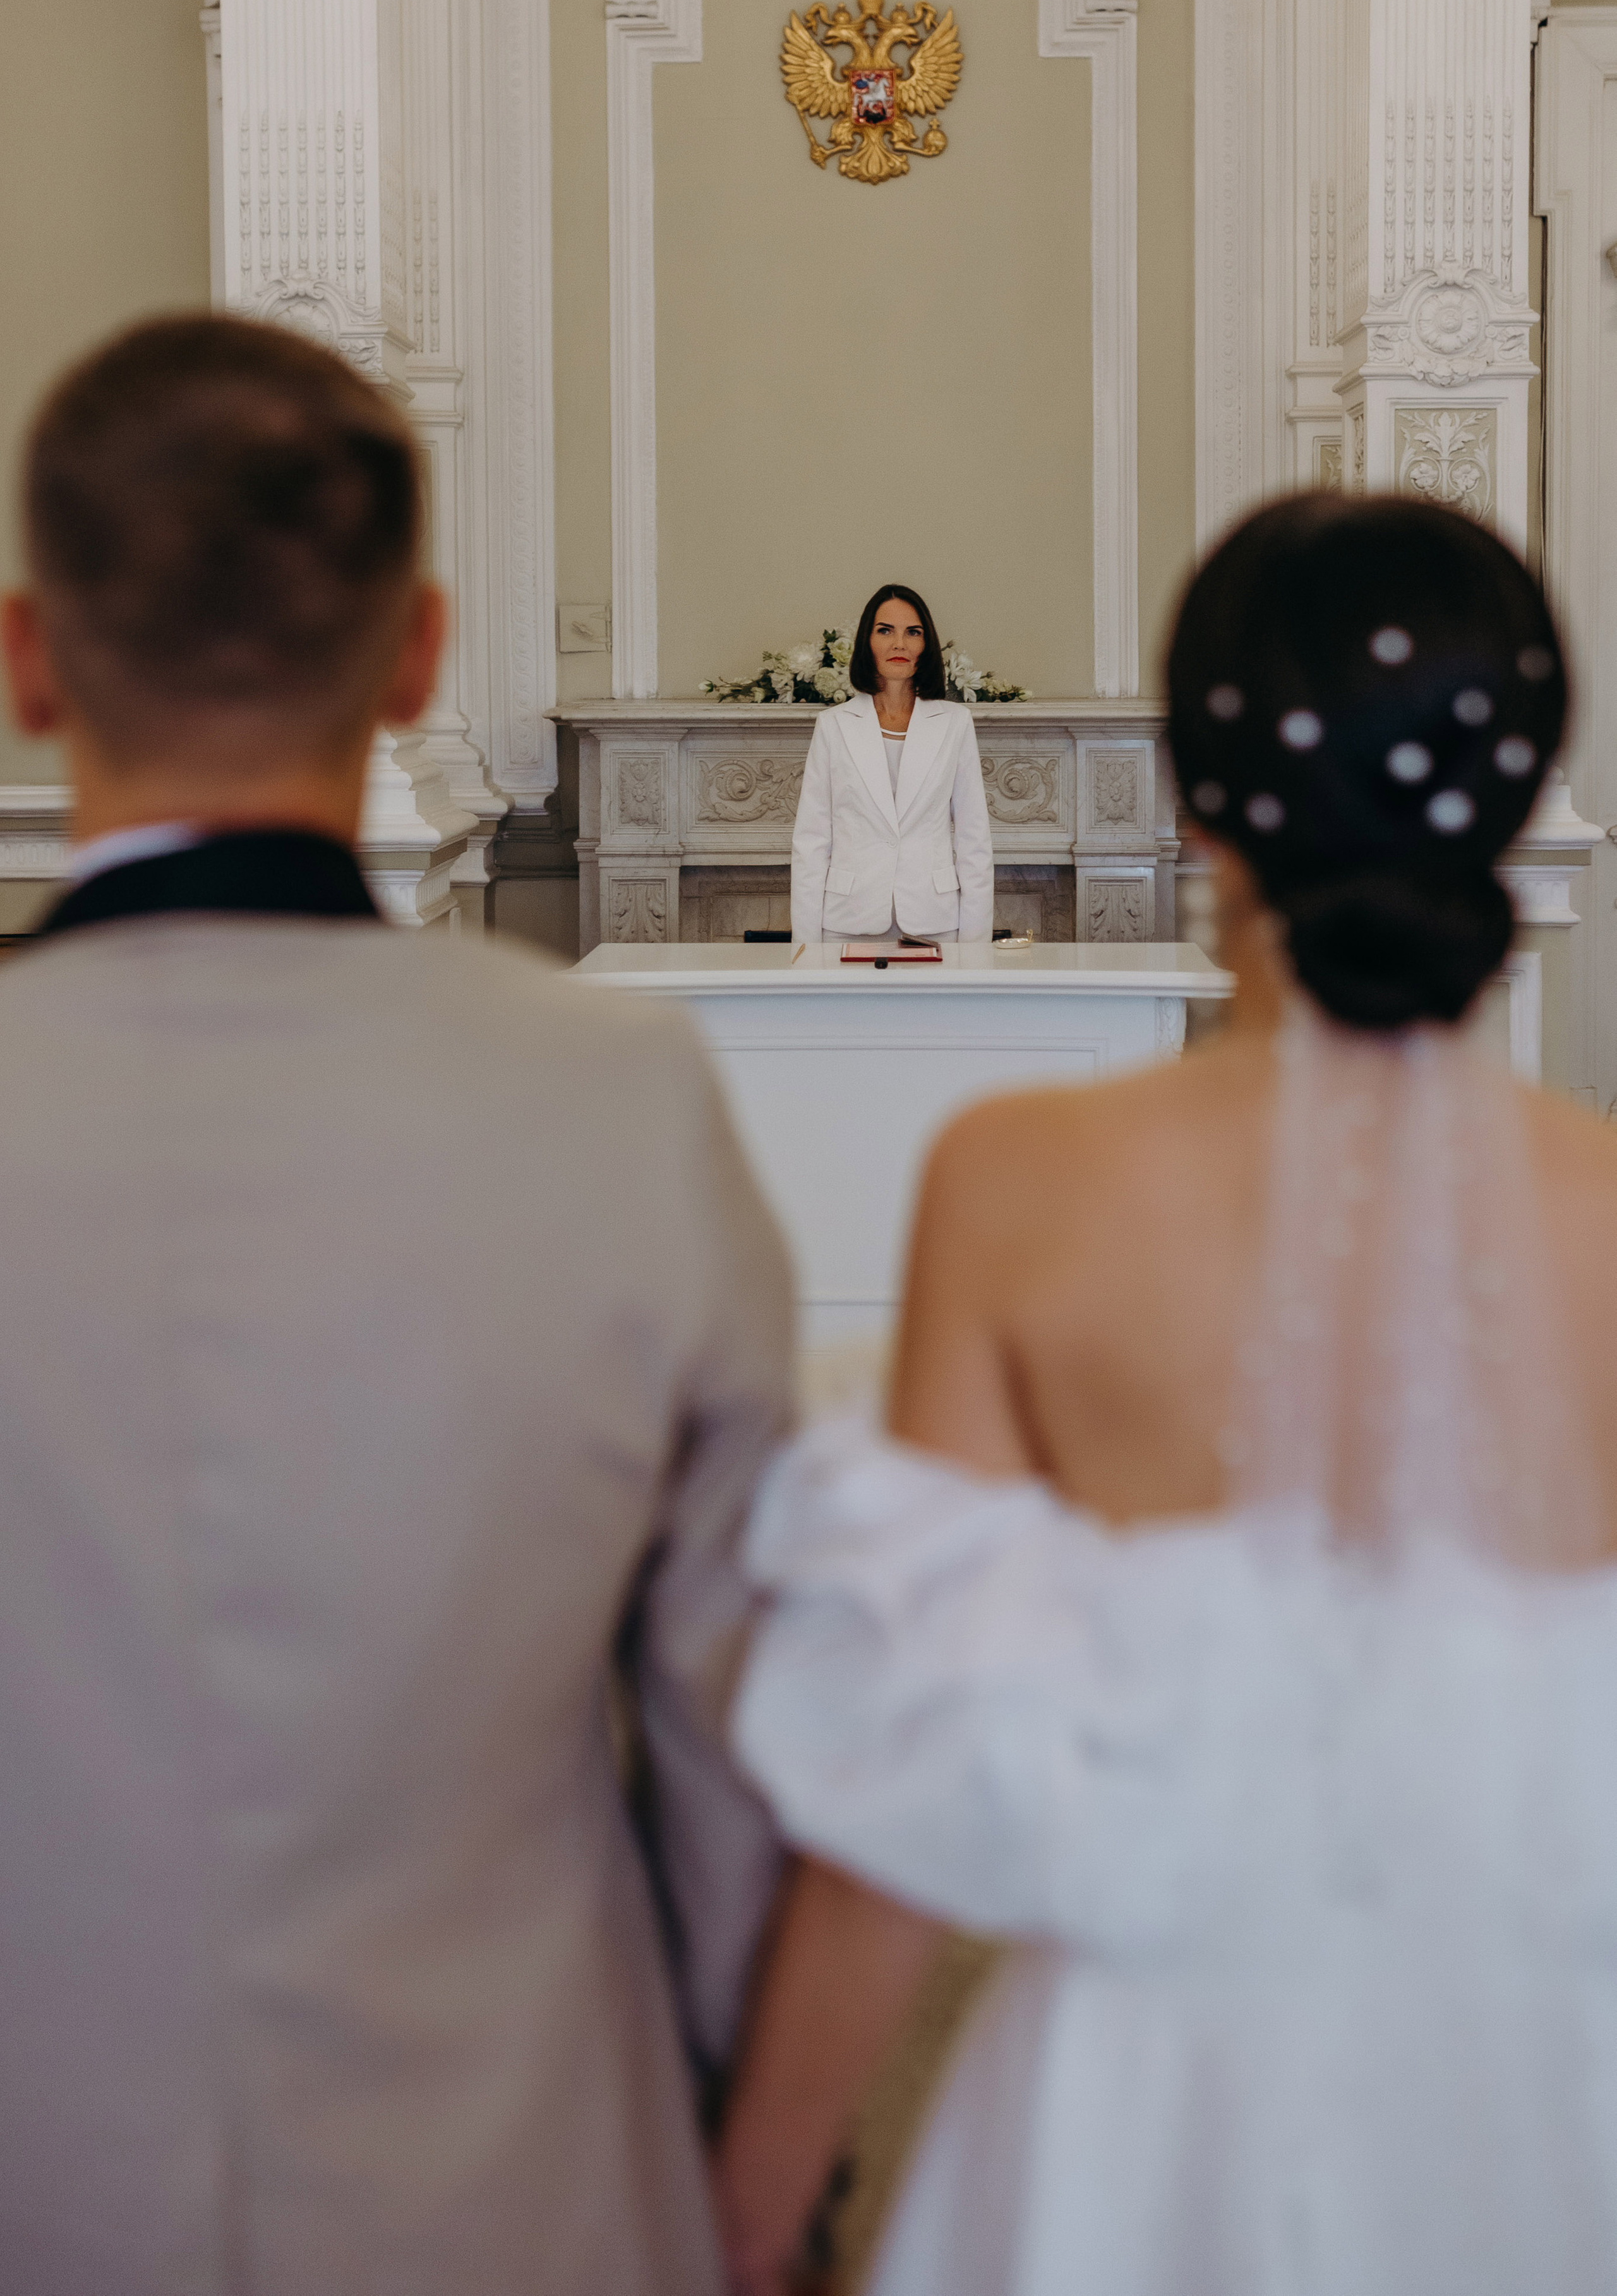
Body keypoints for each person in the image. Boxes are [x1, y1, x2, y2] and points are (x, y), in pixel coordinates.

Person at [714, 497, 1617, 2296]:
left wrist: (740, 2218)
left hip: (1131, 2127)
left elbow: (916, 1774)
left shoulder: (1023, 1179)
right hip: (1544, 2110)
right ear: (1515, 797)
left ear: (1198, 801)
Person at [0, 315, 793, 2296]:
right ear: (419, 650)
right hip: (510, 2172)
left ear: (27, 656)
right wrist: (728, 2132)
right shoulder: (614, 1096)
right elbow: (734, 1721)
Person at [790, 584, 994, 947]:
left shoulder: (955, 722)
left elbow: (974, 842)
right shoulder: (834, 725)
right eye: (886, 630)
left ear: (925, 644)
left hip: (937, 921)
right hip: (845, 922)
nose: (899, 644)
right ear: (868, 641)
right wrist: (804, 947)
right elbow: (811, 842)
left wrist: (976, 948)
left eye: (912, 632)